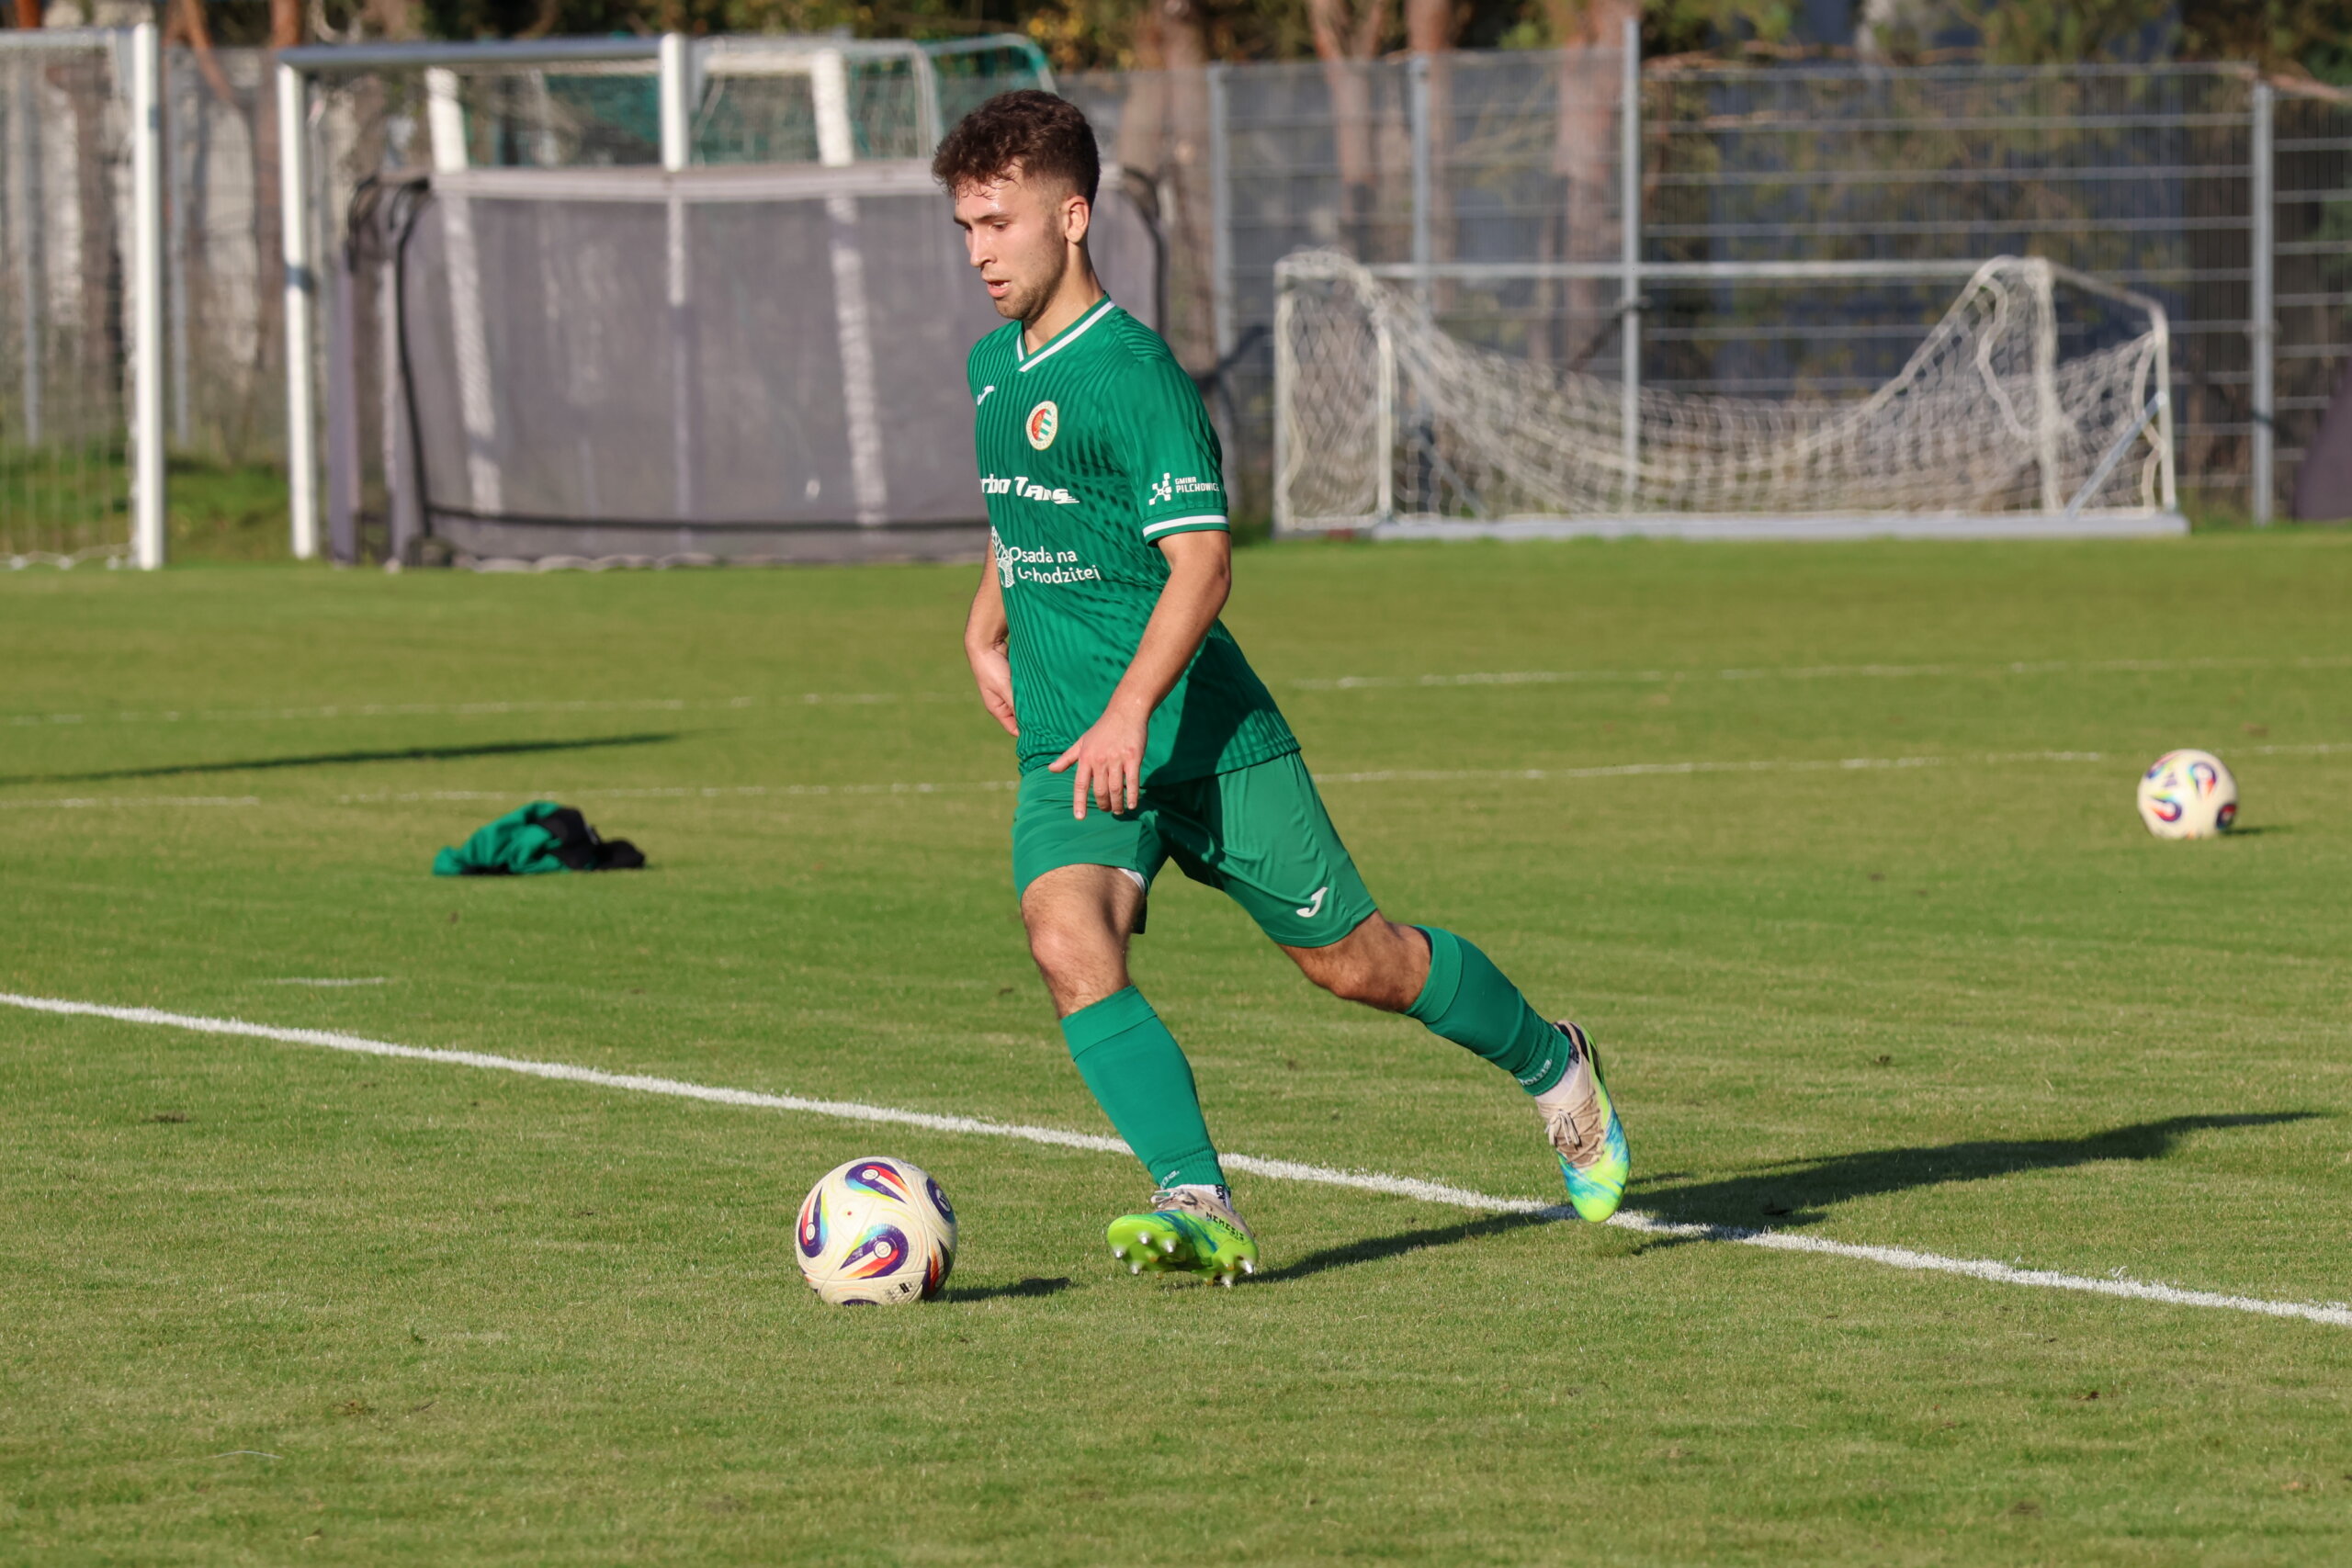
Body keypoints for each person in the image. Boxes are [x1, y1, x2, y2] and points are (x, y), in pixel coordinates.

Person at [933, 91, 1628, 1285]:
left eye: (999, 223)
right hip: (1072, 745)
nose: (979, 253)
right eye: (966, 228)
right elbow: (1029, 506)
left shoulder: (1136, 376)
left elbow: (1203, 567)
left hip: (1203, 736)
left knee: (1359, 962)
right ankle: (1196, 1195)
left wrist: (1132, 709)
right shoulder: (994, 368)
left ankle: (1552, 1064)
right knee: (1065, 940)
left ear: (1074, 216)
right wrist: (984, 621)